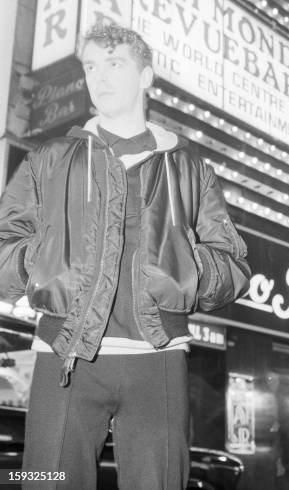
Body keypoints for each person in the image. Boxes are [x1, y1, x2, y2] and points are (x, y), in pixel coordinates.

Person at [0, 22, 251, 489]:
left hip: (158, 361)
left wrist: (186, 267)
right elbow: (3, 250)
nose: (101, 76)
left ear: (146, 76)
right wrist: (46, 256)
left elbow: (234, 265)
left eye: (115, 63)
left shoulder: (190, 168)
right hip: (63, 359)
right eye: (91, 65)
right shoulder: (48, 159)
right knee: (43, 482)